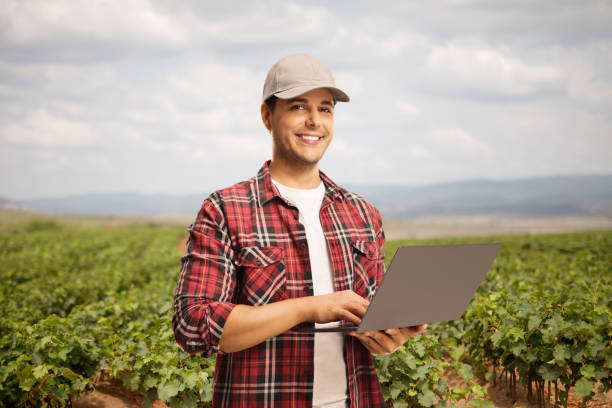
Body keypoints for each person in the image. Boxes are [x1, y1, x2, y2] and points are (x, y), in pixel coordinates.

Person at [173, 53, 427, 407]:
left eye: (325, 109)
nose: (314, 121)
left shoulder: (363, 214)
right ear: (267, 116)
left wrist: (390, 335)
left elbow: (370, 319)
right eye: (297, 107)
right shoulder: (226, 210)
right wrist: (307, 308)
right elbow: (193, 324)